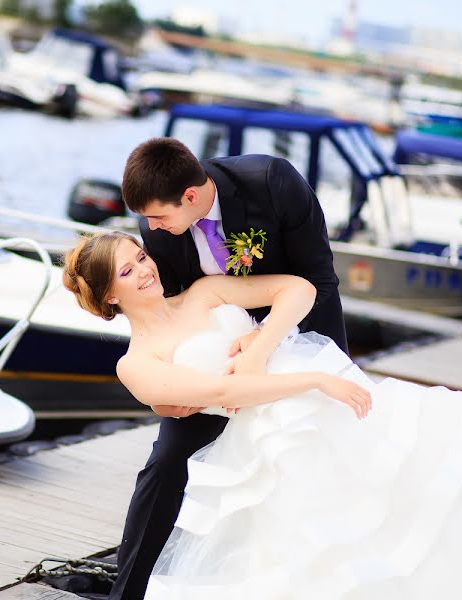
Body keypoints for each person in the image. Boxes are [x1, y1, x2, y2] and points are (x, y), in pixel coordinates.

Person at [62, 232, 462, 599]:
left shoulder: (205, 290)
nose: (145, 270)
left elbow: (295, 288)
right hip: (273, 436)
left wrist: (265, 337)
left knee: (441, 471)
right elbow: (229, 391)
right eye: (127, 271)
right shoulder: (137, 364)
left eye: (141, 256)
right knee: (344, 538)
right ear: (109, 293)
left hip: (330, 396)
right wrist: (316, 380)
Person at [108, 137, 348, 599]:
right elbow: (169, 311)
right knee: (166, 461)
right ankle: (128, 589)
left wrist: (263, 343)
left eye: (159, 215)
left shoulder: (273, 184)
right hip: (219, 351)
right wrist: (168, 390)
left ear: (192, 197)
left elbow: (319, 279)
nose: (150, 227)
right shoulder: (160, 231)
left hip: (299, 334)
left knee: (313, 458)